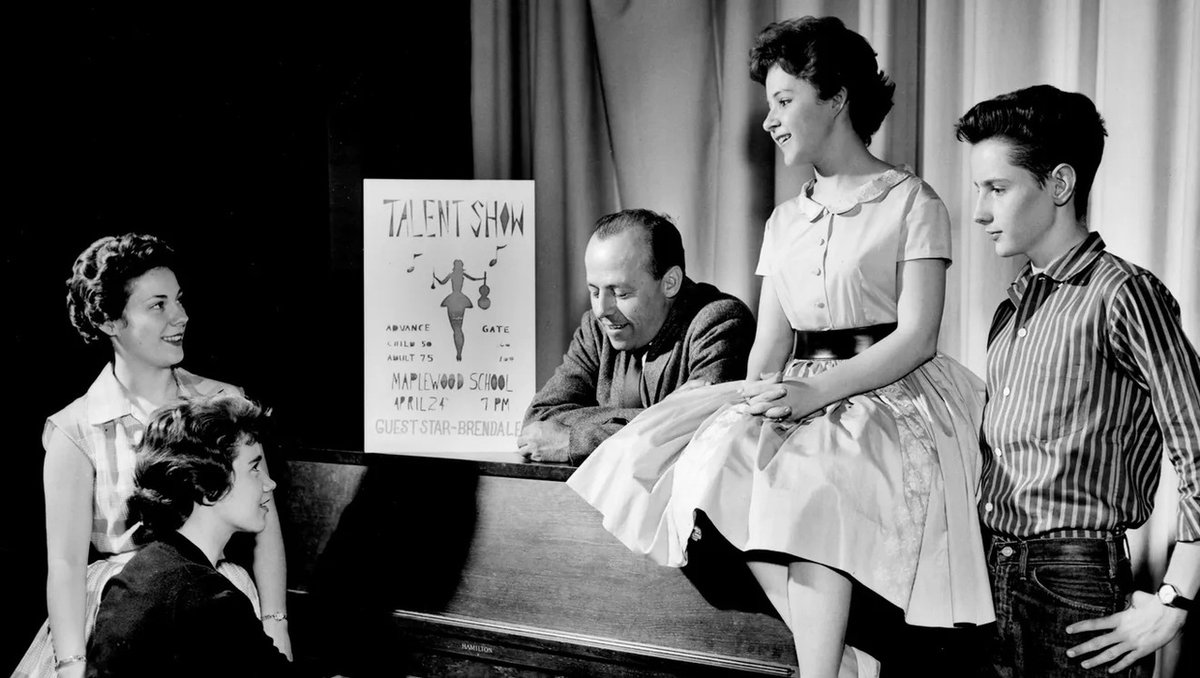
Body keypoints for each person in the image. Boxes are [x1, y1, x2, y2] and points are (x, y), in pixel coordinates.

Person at [567, 17, 993, 678]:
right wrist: (746, 402)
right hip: (799, 386)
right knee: (708, 464)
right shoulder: (785, 219)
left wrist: (816, 392)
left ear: (837, 98)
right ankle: (838, 656)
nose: (770, 120)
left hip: (891, 392)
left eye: (784, 100)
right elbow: (770, 344)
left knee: (811, 483)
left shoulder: (912, 201)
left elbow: (917, 337)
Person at [956, 85, 1199, 678]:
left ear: (1059, 185)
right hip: (990, 580)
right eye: (977, 191)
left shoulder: (1123, 293)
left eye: (997, 189)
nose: (980, 212)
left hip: (1075, 586)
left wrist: (1176, 599)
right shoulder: (1012, 310)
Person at [14, 234, 291, 678]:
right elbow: (64, 564)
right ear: (109, 321)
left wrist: (276, 625)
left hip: (215, 597)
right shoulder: (74, 429)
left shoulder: (222, 400)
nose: (181, 316)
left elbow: (266, 528)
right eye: (157, 305)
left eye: (179, 301)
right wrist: (70, 666)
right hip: (121, 613)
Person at [519, 208, 756, 465]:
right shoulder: (596, 329)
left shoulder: (719, 321)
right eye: (594, 291)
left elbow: (704, 432)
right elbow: (539, 421)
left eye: (620, 293)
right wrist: (665, 415)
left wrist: (576, 440)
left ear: (670, 282)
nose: (602, 310)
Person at [86, 394, 296, 677]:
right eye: (254, 468)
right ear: (210, 486)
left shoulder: (145, 569)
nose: (269, 483)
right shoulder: (208, 600)